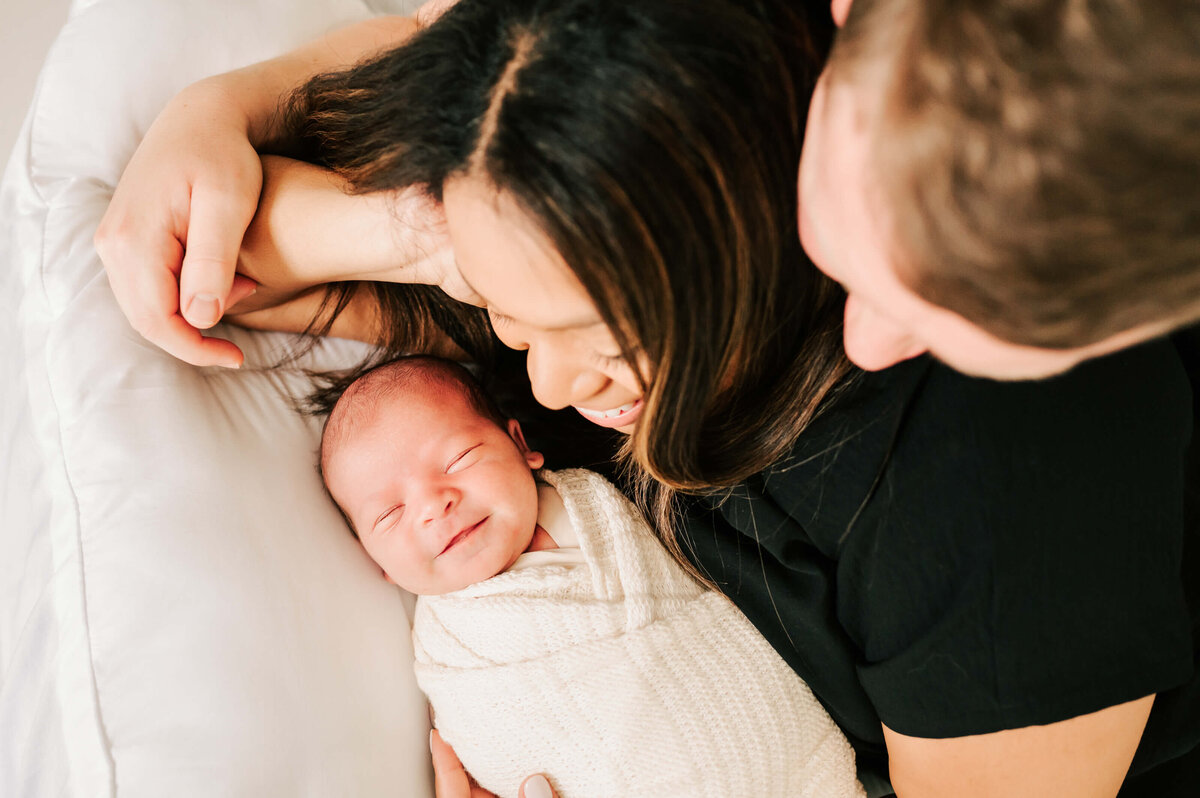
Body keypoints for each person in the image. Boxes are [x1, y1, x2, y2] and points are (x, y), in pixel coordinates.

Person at [95, 1, 1198, 796]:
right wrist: (252, 128)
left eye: (601, 341)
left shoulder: (992, 483)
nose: (545, 386)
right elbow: (245, 262)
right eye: (514, 320)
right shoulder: (592, 167)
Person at [319, 355, 866, 798]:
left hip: (782, 756)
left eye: (458, 458)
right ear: (378, 564)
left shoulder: (613, 495)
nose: (434, 506)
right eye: (389, 514)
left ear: (519, 444)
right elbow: (490, 736)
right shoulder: (453, 650)